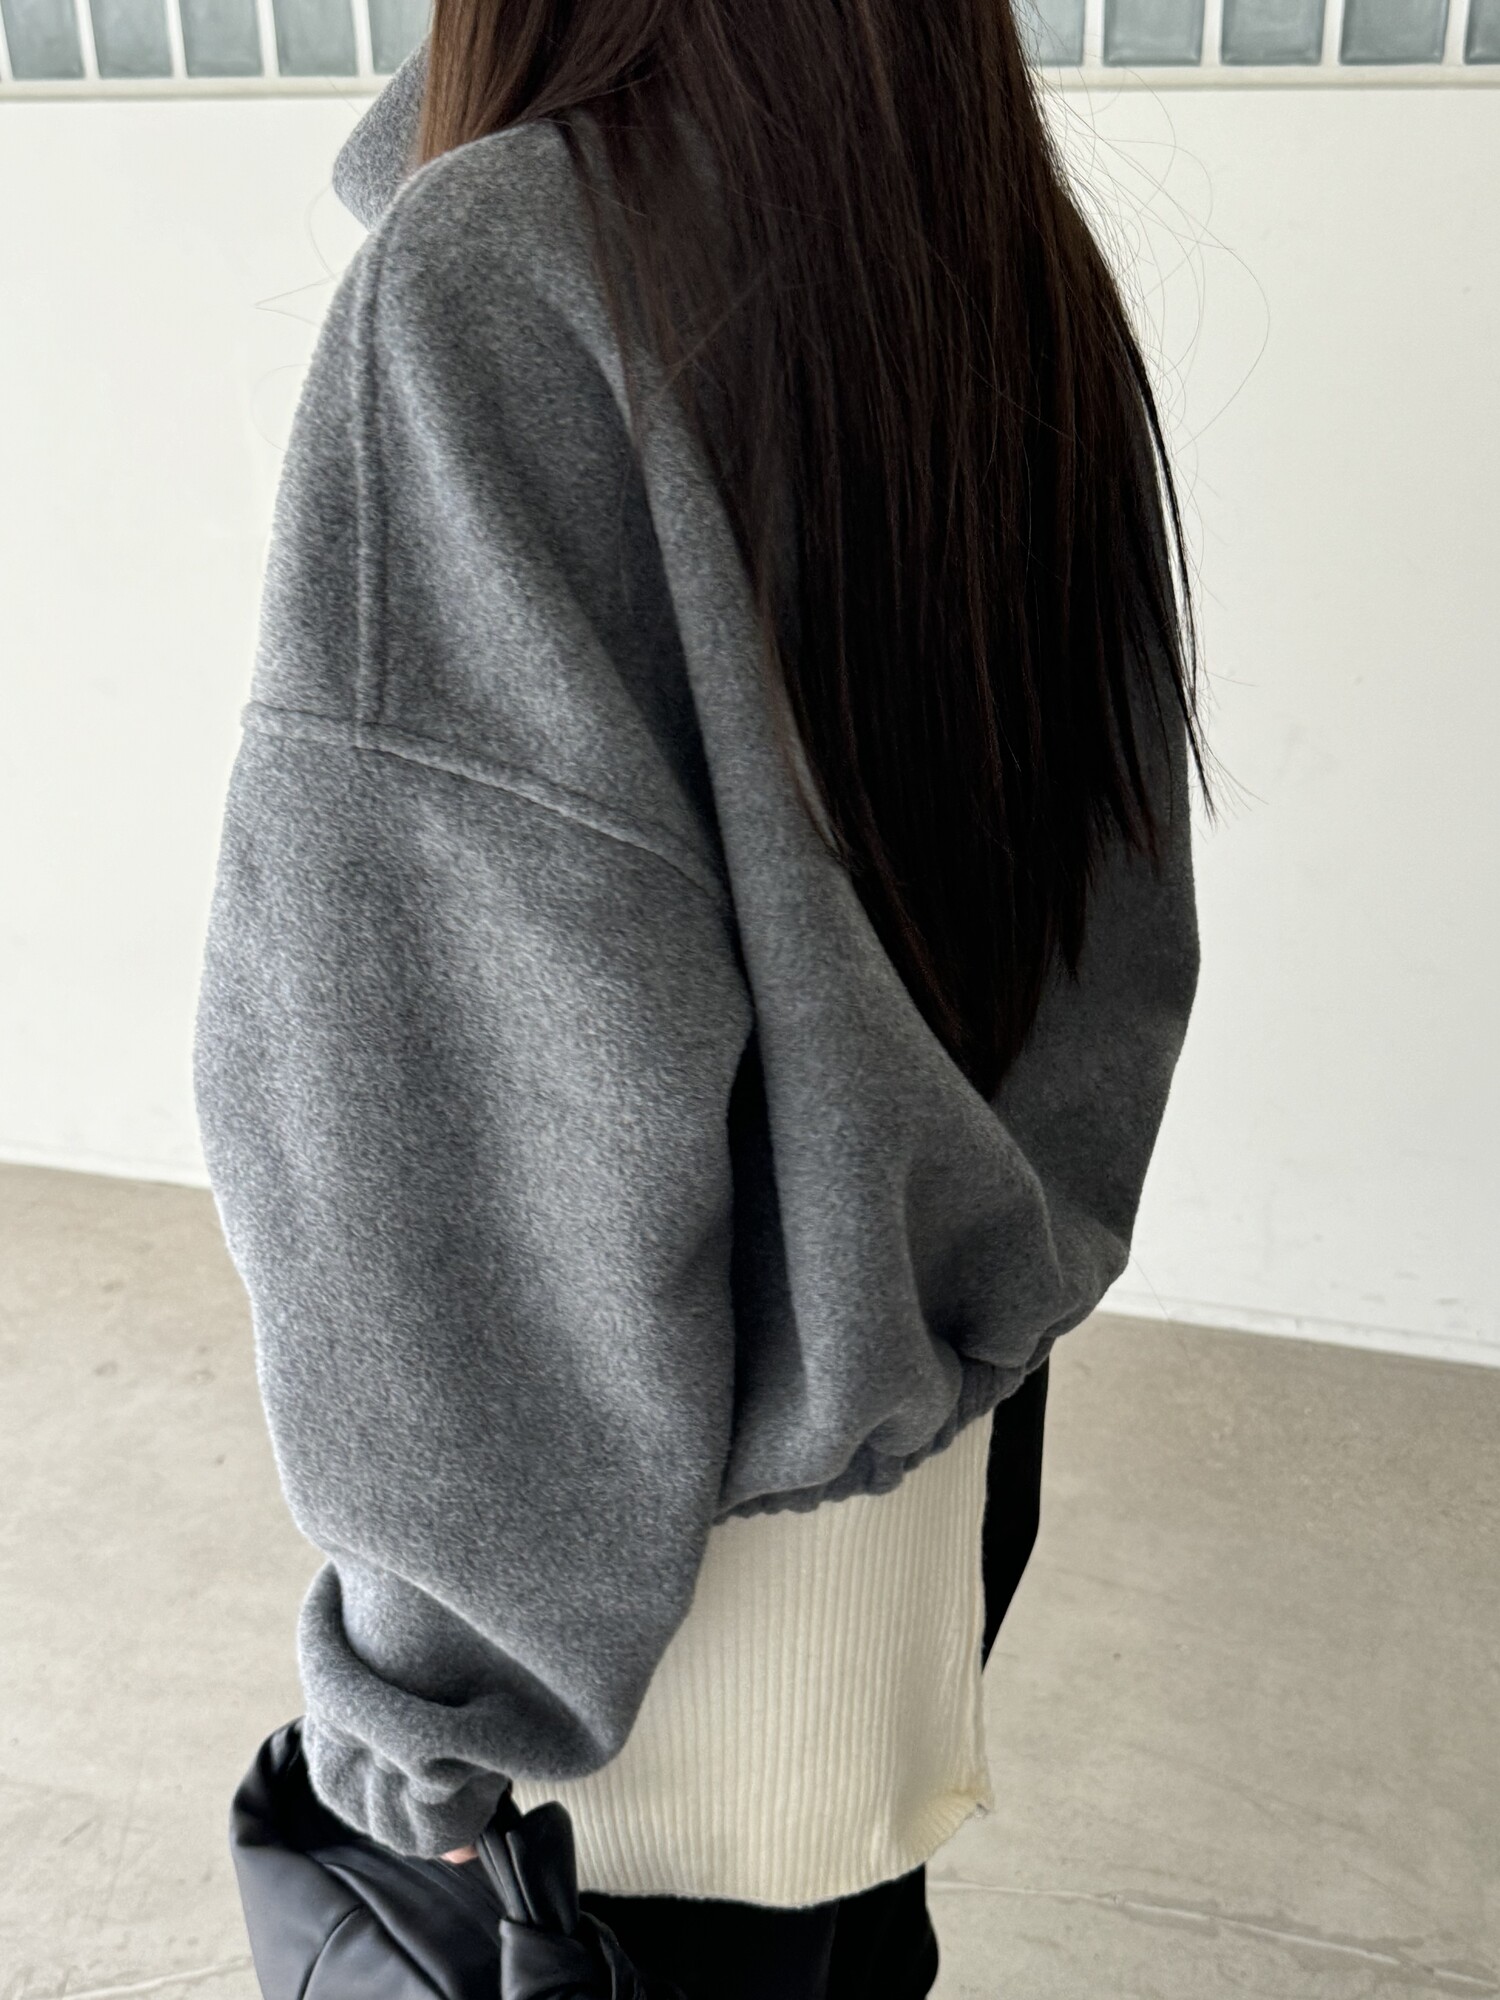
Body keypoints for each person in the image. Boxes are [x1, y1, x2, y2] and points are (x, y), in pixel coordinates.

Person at [193, 2, 1208, 1991]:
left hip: (639, 1610)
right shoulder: (1002, 254)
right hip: (928, 1497)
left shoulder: (501, 277)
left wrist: (426, 1688)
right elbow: (1119, 917)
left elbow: (458, 1107)